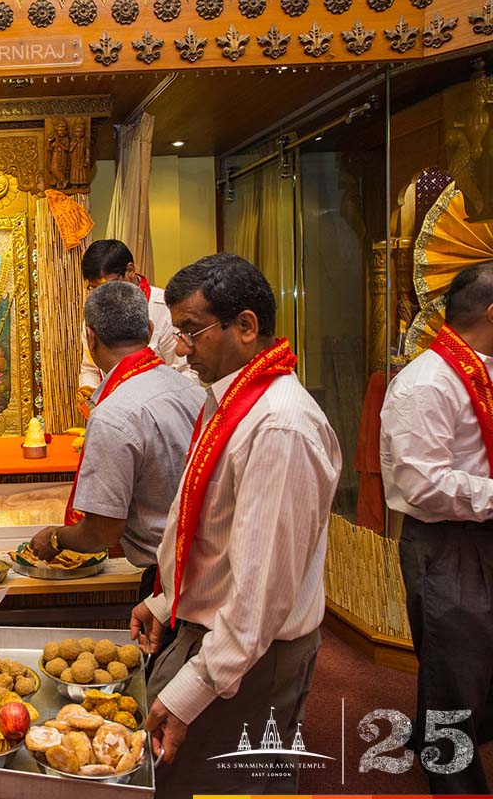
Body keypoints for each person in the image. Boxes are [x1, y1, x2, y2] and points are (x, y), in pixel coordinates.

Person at [130, 254, 341, 798]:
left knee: (217, 785)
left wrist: (193, 689)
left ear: (245, 326)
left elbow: (261, 592)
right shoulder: (234, 399)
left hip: (250, 656)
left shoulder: (280, 426)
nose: (181, 348)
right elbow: (210, 529)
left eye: (191, 331)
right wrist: (165, 600)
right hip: (215, 634)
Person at [380, 262, 493, 794]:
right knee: (455, 670)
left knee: (473, 668)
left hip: (482, 529)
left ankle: (436, 736)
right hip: (447, 542)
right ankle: (454, 779)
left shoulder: (479, 368)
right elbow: (424, 485)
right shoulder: (425, 383)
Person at [30, 281, 202, 607]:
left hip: (165, 580)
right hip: (205, 565)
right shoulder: (191, 390)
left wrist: (55, 537)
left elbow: (103, 533)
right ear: (150, 330)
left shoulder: (114, 414)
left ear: (90, 338)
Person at [77, 240, 193, 400]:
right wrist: (89, 390)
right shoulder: (94, 313)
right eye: (94, 289)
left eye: (108, 286)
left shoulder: (164, 309)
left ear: (130, 270)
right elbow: (90, 368)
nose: (102, 295)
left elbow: (185, 373)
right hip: (111, 409)